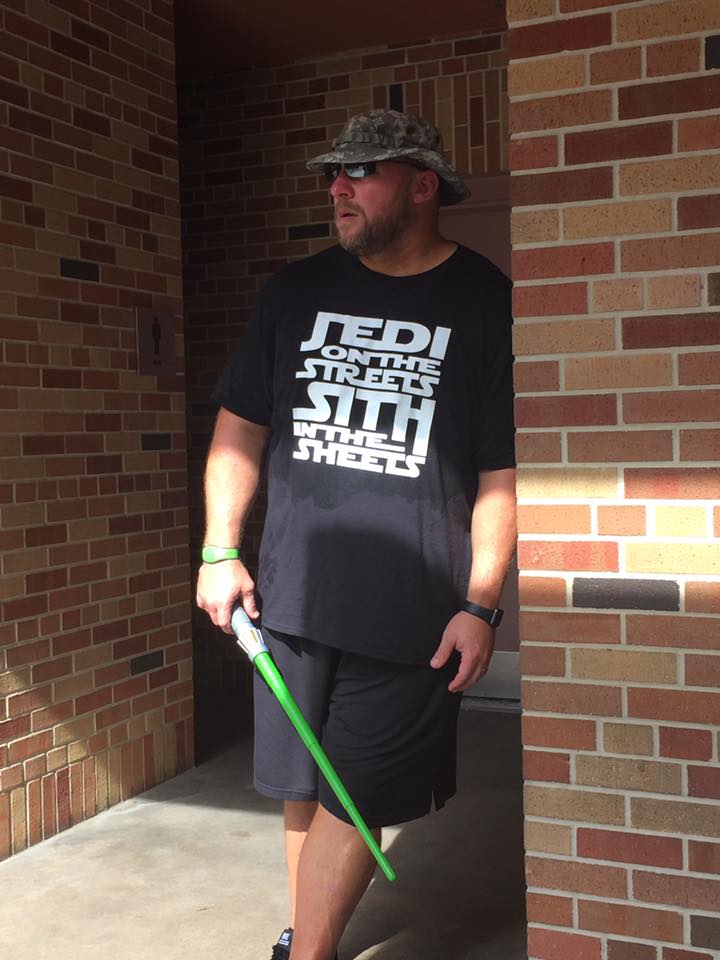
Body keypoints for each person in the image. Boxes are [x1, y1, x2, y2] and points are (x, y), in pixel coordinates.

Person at [196, 109, 517, 960]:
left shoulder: (486, 301)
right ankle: (312, 939)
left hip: (414, 611)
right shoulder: (293, 292)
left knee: (358, 791)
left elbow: (503, 470)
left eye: (361, 171)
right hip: (291, 596)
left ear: (424, 184)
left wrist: (481, 604)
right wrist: (220, 550)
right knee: (305, 784)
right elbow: (240, 425)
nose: (338, 187)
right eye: (332, 173)